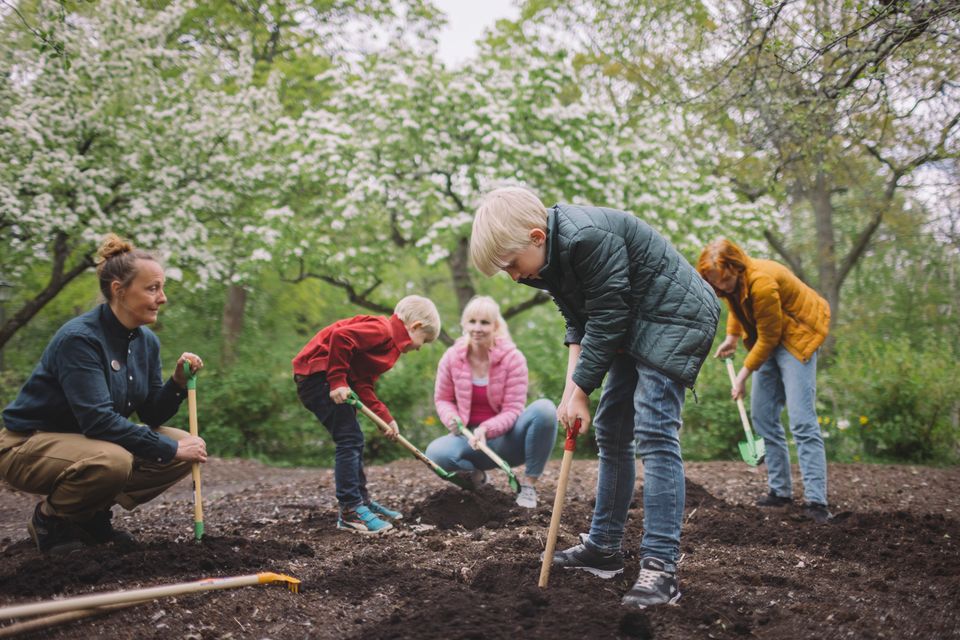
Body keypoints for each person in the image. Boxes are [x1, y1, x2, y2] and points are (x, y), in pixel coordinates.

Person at [470, 186, 719, 609]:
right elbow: (578, 323)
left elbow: (606, 318)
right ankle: (603, 548)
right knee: (611, 430)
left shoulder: (586, 239)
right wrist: (571, 394)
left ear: (536, 237)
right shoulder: (546, 260)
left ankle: (660, 568)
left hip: (674, 316)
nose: (513, 276)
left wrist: (583, 390)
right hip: (632, 319)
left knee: (654, 430)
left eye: (511, 264)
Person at [0, 234, 207, 554]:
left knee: (185, 444)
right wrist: (169, 449)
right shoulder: (80, 339)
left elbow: (151, 414)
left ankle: (88, 514)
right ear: (119, 290)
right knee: (115, 460)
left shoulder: (146, 341)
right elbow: (98, 421)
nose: (163, 298)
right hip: (27, 444)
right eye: (152, 288)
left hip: (89, 442)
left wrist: (177, 382)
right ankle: (51, 520)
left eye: (162, 288)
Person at [697, 238, 831, 523]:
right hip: (767, 338)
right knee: (762, 416)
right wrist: (732, 337)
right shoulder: (731, 284)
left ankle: (817, 501)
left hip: (797, 337)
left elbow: (770, 338)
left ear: (736, 267)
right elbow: (736, 304)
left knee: (802, 421)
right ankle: (780, 492)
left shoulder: (763, 283)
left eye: (725, 281)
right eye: (716, 284)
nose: (721, 288)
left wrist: (742, 375)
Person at [292, 295, 441, 535]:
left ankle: (361, 501)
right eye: (423, 340)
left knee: (354, 439)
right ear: (415, 326)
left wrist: (385, 418)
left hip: (329, 380)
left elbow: (362, 383)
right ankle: (350, 510)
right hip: (317, 378)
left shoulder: (389, 349)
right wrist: (337, 380)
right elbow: (341, 337)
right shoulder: (382, 330)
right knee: (349, 439)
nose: (419, 348)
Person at [425, 295, 557, 509]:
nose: (477, 328)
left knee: (545, 409)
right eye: (472, 321)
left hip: (507, 439)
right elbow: (443, 399)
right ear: (464, 324)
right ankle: (476, 478)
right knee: (435, 454)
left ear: (495, 326)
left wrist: (486, 429)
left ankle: (529, 485)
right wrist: (451, 418)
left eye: (484, 322)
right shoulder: (451, 357)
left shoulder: (513, 358)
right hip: (469, 440)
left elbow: (513, 408)